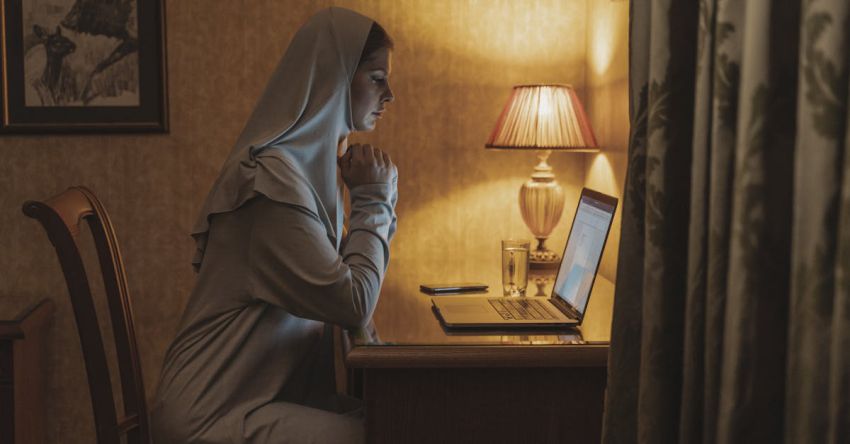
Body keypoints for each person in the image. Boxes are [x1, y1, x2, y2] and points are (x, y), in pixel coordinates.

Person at [151, 7, 396, 443]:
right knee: (389, 430)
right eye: (377, 78)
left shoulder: (303, 176)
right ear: (333, 77)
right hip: (211, 415)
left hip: (252, 402)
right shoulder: (272, 185)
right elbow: (352, 302)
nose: (390, 94)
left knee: (406, 417)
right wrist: (374, 199)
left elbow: (348, 304)